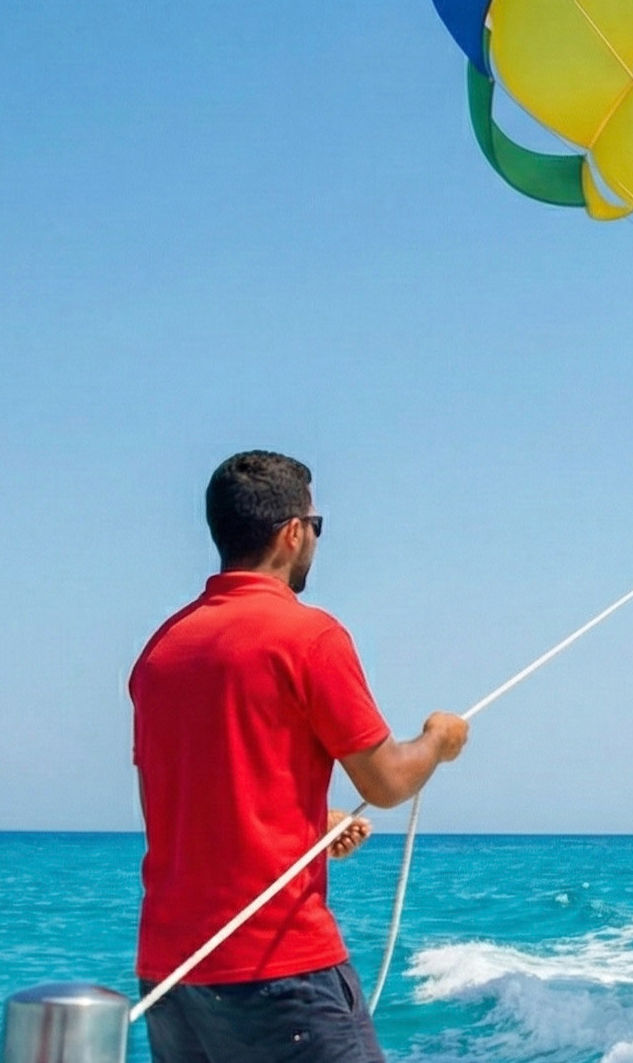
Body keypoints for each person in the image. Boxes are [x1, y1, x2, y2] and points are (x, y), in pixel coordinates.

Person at [131, 451, 471, 1063]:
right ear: (292, 532)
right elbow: (387, 782)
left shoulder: (161, 652)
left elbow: (185, 809)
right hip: (278, 967)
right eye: (316, 525)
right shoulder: (309, 637)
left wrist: (310, 828)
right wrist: (438, 741)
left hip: (171, 976)